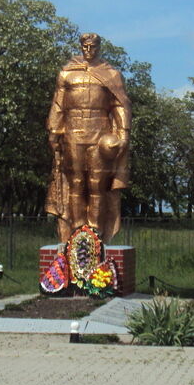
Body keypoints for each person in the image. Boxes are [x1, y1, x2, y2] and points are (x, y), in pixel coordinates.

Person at [45, 33, 131, 244]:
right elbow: (58, 104)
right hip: (73, 131)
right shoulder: (67, 73)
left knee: (96, 183)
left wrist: (123, 132)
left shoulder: (111, 74)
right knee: (75, 181)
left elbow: (120, 105)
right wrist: (54, 130)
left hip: (100, 132)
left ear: (99, 47)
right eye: (85, 46)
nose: (88, 50)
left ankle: (95, 230)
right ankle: (77, 229)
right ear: (81, 47)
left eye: (92, 47)